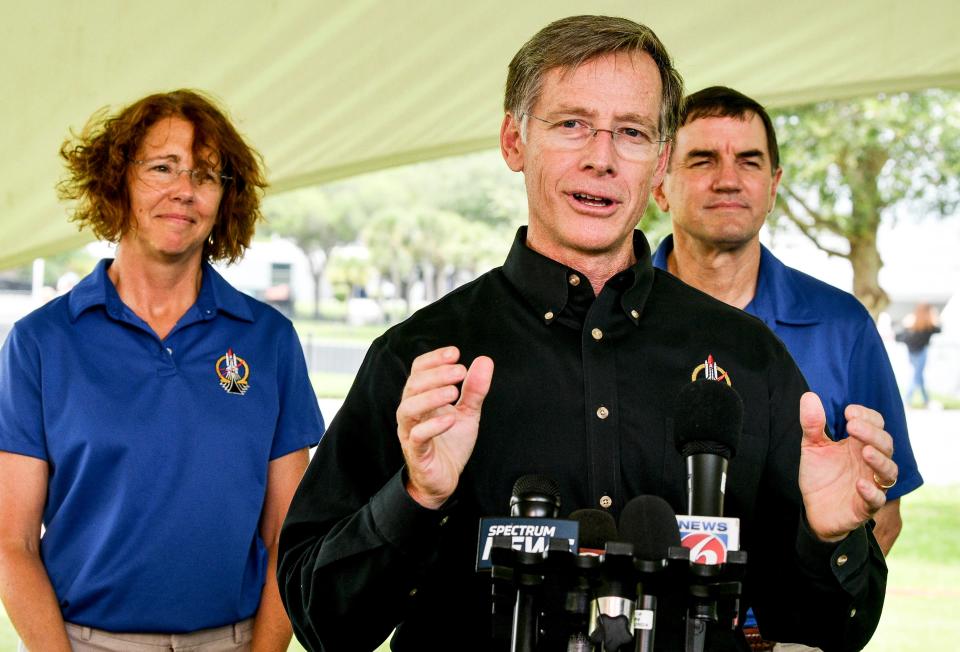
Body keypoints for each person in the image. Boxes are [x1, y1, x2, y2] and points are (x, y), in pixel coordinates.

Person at [278, 16, 895, 652]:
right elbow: (323, 622)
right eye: (572, 124)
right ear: (514, 142)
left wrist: (827, 539)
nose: (601, 158)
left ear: (658, 164)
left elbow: (830, 632)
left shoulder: (749, 358)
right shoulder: (422, 359)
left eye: (631, 132)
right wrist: (415, 496)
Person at [0, 90, 325, 651]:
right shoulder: (40, 343)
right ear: (116, 181)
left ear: (226, 198)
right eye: (162, 168)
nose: (183, 191)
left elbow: (288, 538)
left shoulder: (269, 341)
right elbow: (13, 542)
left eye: (205, 175)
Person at [651, 86, 922, 557]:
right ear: (659, 187)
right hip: (644, 625)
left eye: (750, 162)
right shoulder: (609, 320)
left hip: (792, 632)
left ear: (773, 186)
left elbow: (882, 518)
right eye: (702, 160)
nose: (728, 180)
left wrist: (795, 625)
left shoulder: (844, 327)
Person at [897, 302, 942, 407]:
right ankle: (909, 399)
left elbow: (901, 337)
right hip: (919, 353)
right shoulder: (926, 326)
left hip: (913, 353)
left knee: (918, 376)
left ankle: (924, 400)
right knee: (917, 376)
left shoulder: (917, 325)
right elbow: (939, 328)